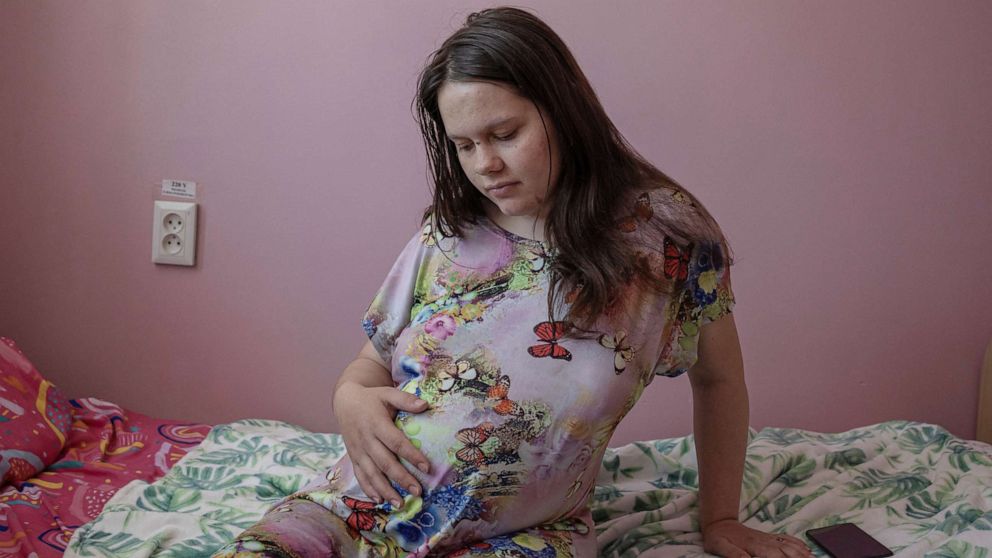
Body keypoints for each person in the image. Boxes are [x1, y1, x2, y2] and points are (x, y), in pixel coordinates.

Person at [215, 7, 813, 558]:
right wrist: (347, 400)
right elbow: (368, 366)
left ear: (564, 108)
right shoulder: (447, 234)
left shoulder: (666, 239)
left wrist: (720, 521)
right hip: (352, 510)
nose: (484, 165)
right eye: (464, 145)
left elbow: (720, 380)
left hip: (530, 537)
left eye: (504, 135)